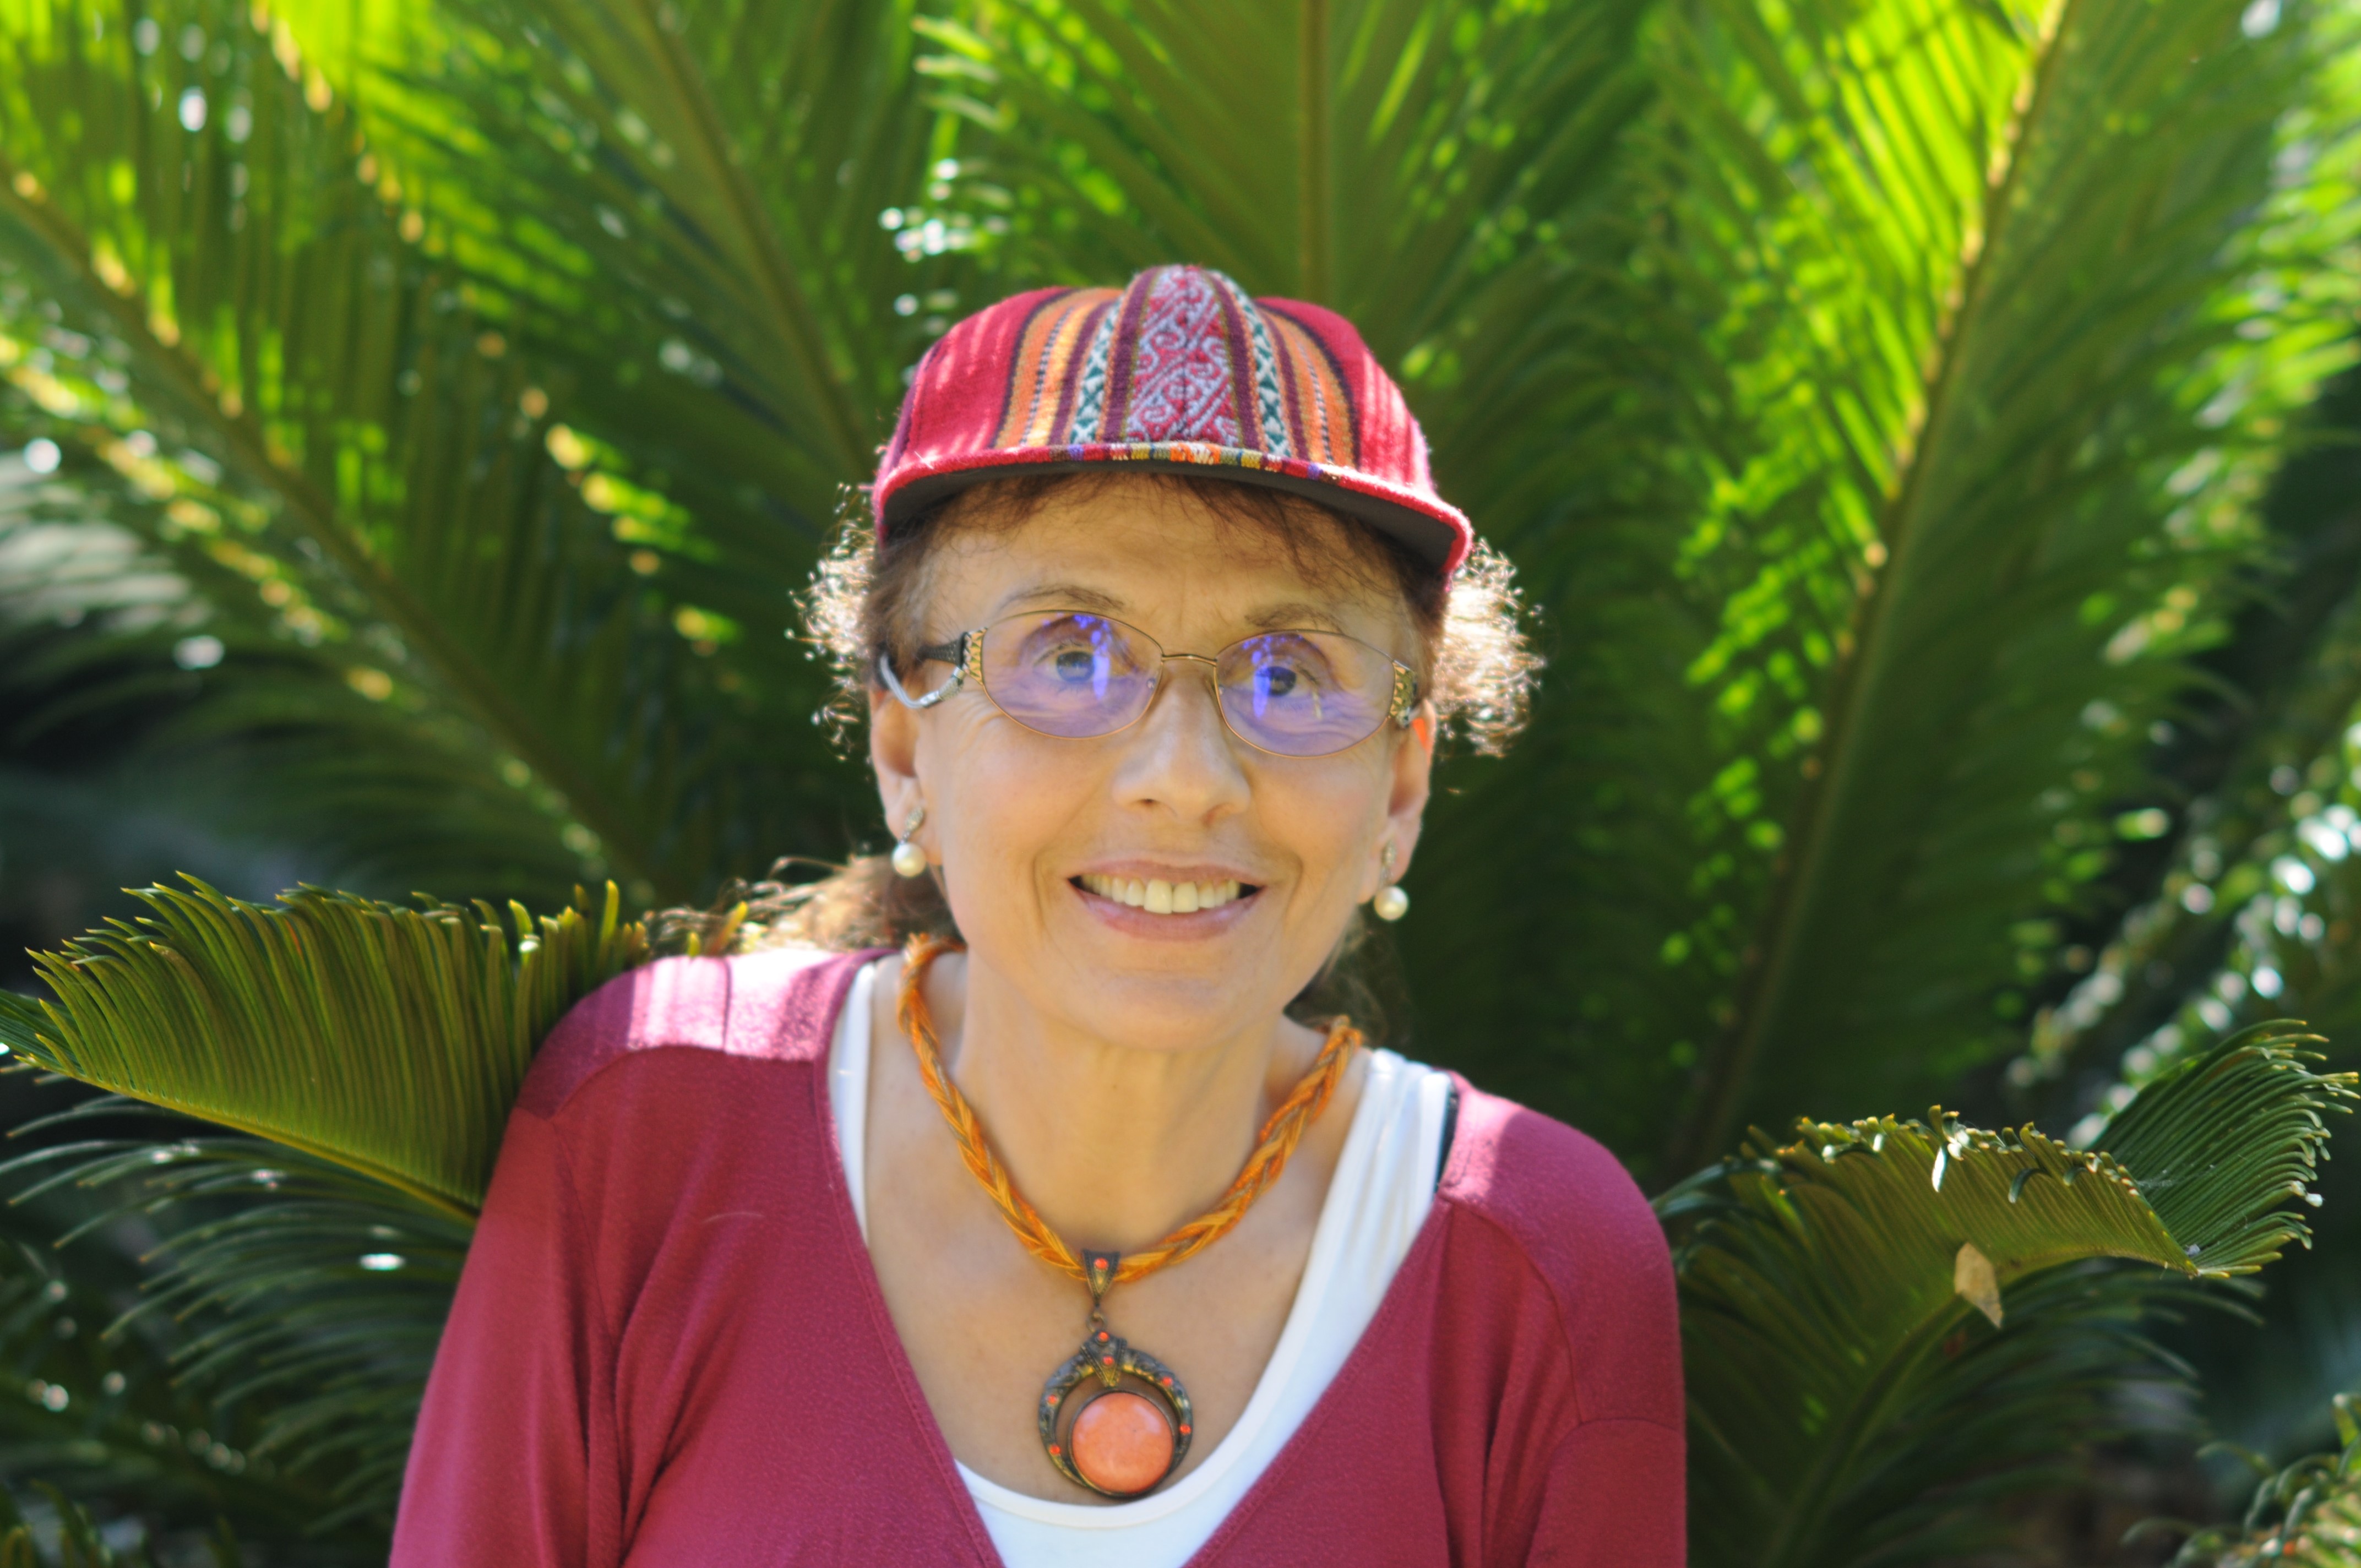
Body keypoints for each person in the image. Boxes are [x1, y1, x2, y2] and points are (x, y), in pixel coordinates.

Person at [391, 264, 1684, 1566]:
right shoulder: (649, 1126)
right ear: (904, 748)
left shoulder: (1537, 1257)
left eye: (1290, 672)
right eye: (1070, 653)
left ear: (1398, 785)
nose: (1183, 775)